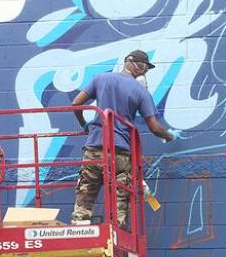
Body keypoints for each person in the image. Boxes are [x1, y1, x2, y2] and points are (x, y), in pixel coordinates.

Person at [71, 49, 178, 228]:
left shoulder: (101, 78)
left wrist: (84, 125)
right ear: (139, 67)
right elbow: (154, 127)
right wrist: (169, 136)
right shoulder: (141, 91)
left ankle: (79, 230)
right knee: (119, 196)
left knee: (86, 191)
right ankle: (115, 233)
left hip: (94, 148)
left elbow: (76, 104)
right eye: (145, 69)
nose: (145, 73)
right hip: (120, 152)